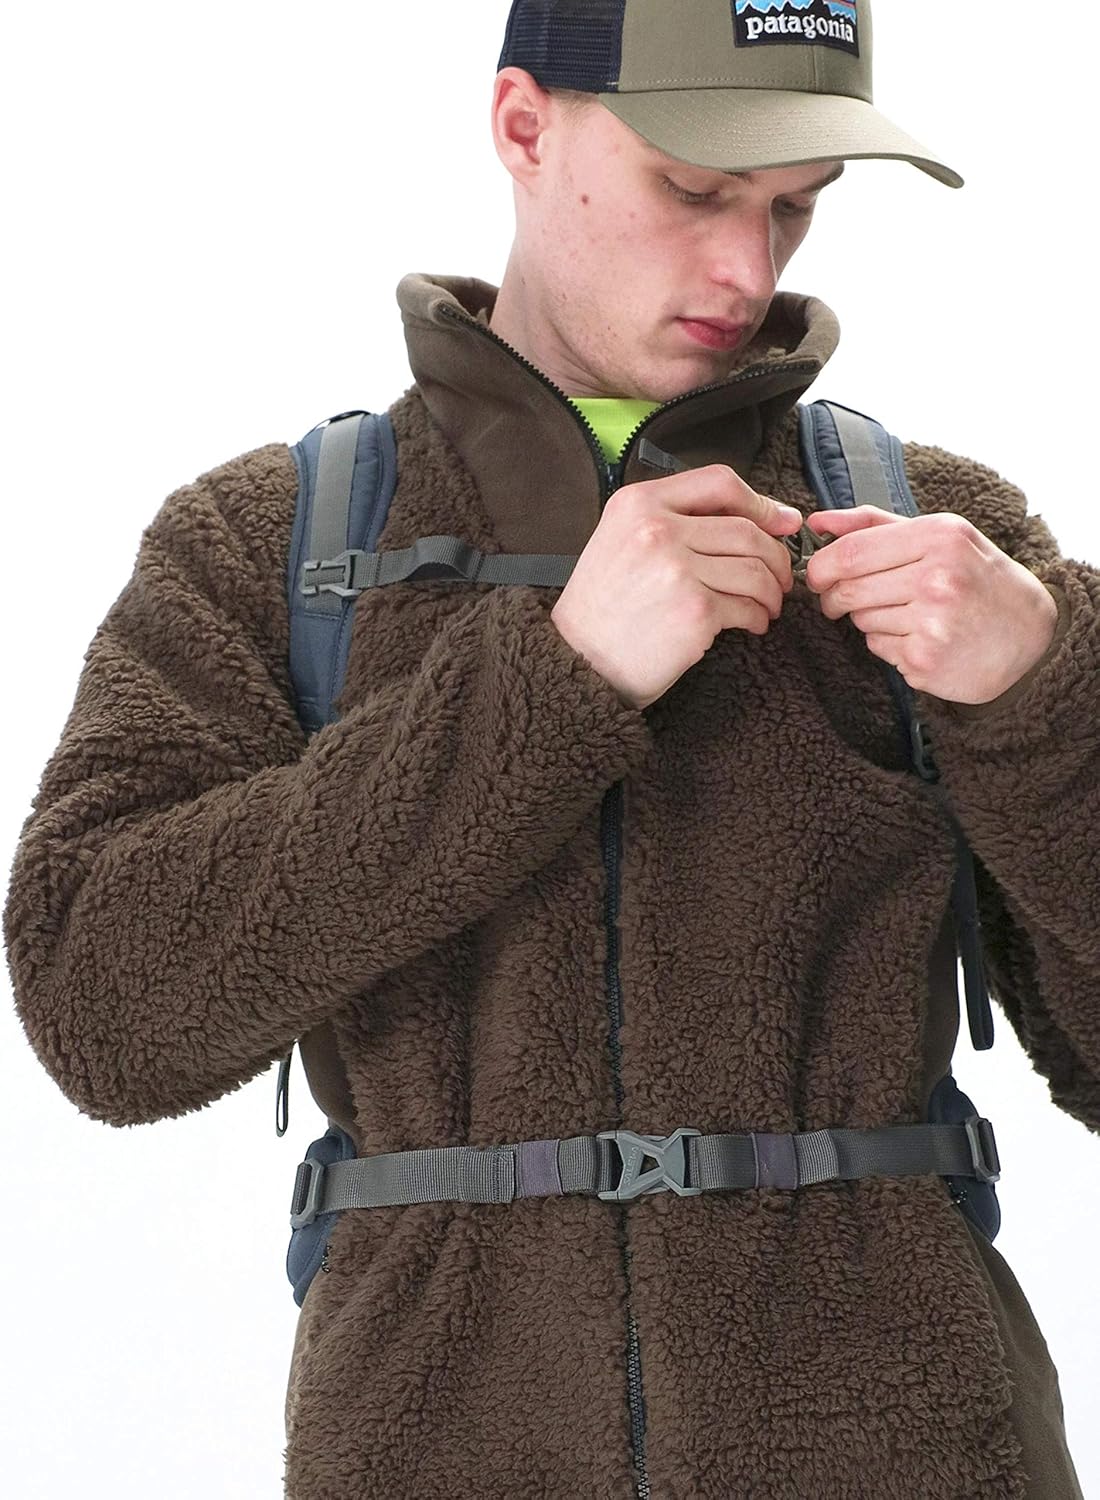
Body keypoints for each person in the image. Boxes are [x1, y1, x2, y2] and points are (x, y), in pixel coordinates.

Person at [3, 1, 1093, 1495]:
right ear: (523, 125)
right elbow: (103, 1012)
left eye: (796, 206)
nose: (750, 269)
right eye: (694, 189)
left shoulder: (945, 537)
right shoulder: (272, 544)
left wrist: (1046, 698)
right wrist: (554, 682)